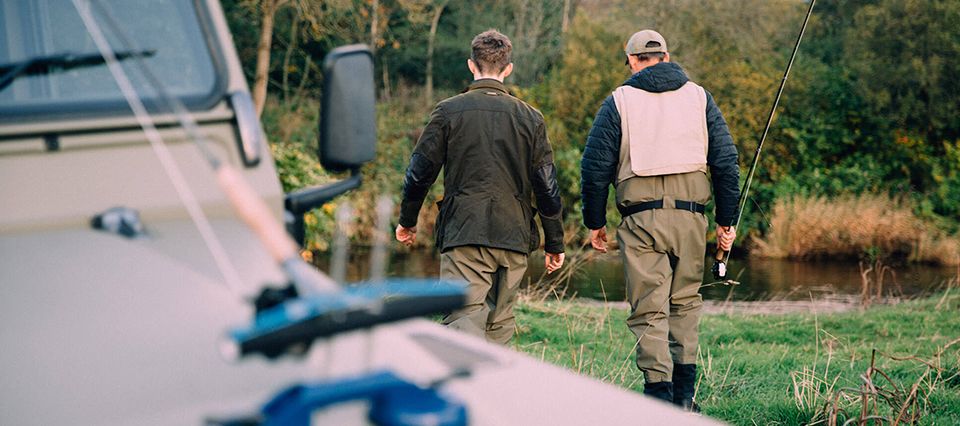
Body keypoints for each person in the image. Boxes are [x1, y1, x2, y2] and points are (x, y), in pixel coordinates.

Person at [580, 29, 740, 410]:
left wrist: (594, 221)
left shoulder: (620, 100)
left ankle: (658, 399)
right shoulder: (700, 97)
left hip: (641, 220)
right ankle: (685, 400)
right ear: (666, 57)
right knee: (685, 303)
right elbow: (725, 163)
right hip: (691, 218)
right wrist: (727, 220)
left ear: (634, 61)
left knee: (649, 308)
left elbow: (594, 167)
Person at [395, 29, 566, 345]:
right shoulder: (531, 118)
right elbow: (547, 186)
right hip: (514, 233)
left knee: (463, 322)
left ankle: (465, 393)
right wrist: (555, 242)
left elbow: (419, 173)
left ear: (471, 65)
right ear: (508, 68)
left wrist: (407, 220)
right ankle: (493, 393)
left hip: (465, 230)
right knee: (499, 325)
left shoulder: (448, 111)